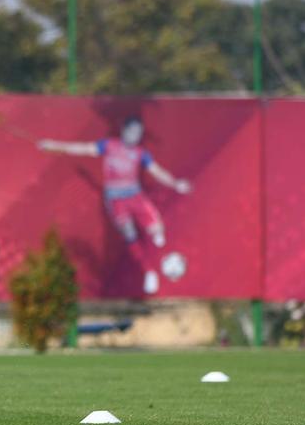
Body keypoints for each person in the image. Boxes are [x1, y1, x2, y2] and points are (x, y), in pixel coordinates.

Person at [37, 116, 191, 294]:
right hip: (116, 200)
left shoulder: (141, 153)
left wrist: (175, 183)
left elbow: (156, 171)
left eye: (139, 134)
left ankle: (159, 246)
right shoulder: (109, 145)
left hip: (136, 196)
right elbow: (82, 148)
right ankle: (149, 272)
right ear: (124, 130)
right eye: (132, 132)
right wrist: (53, 145)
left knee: (157, 230)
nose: (135, 136)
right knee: (130, 235)